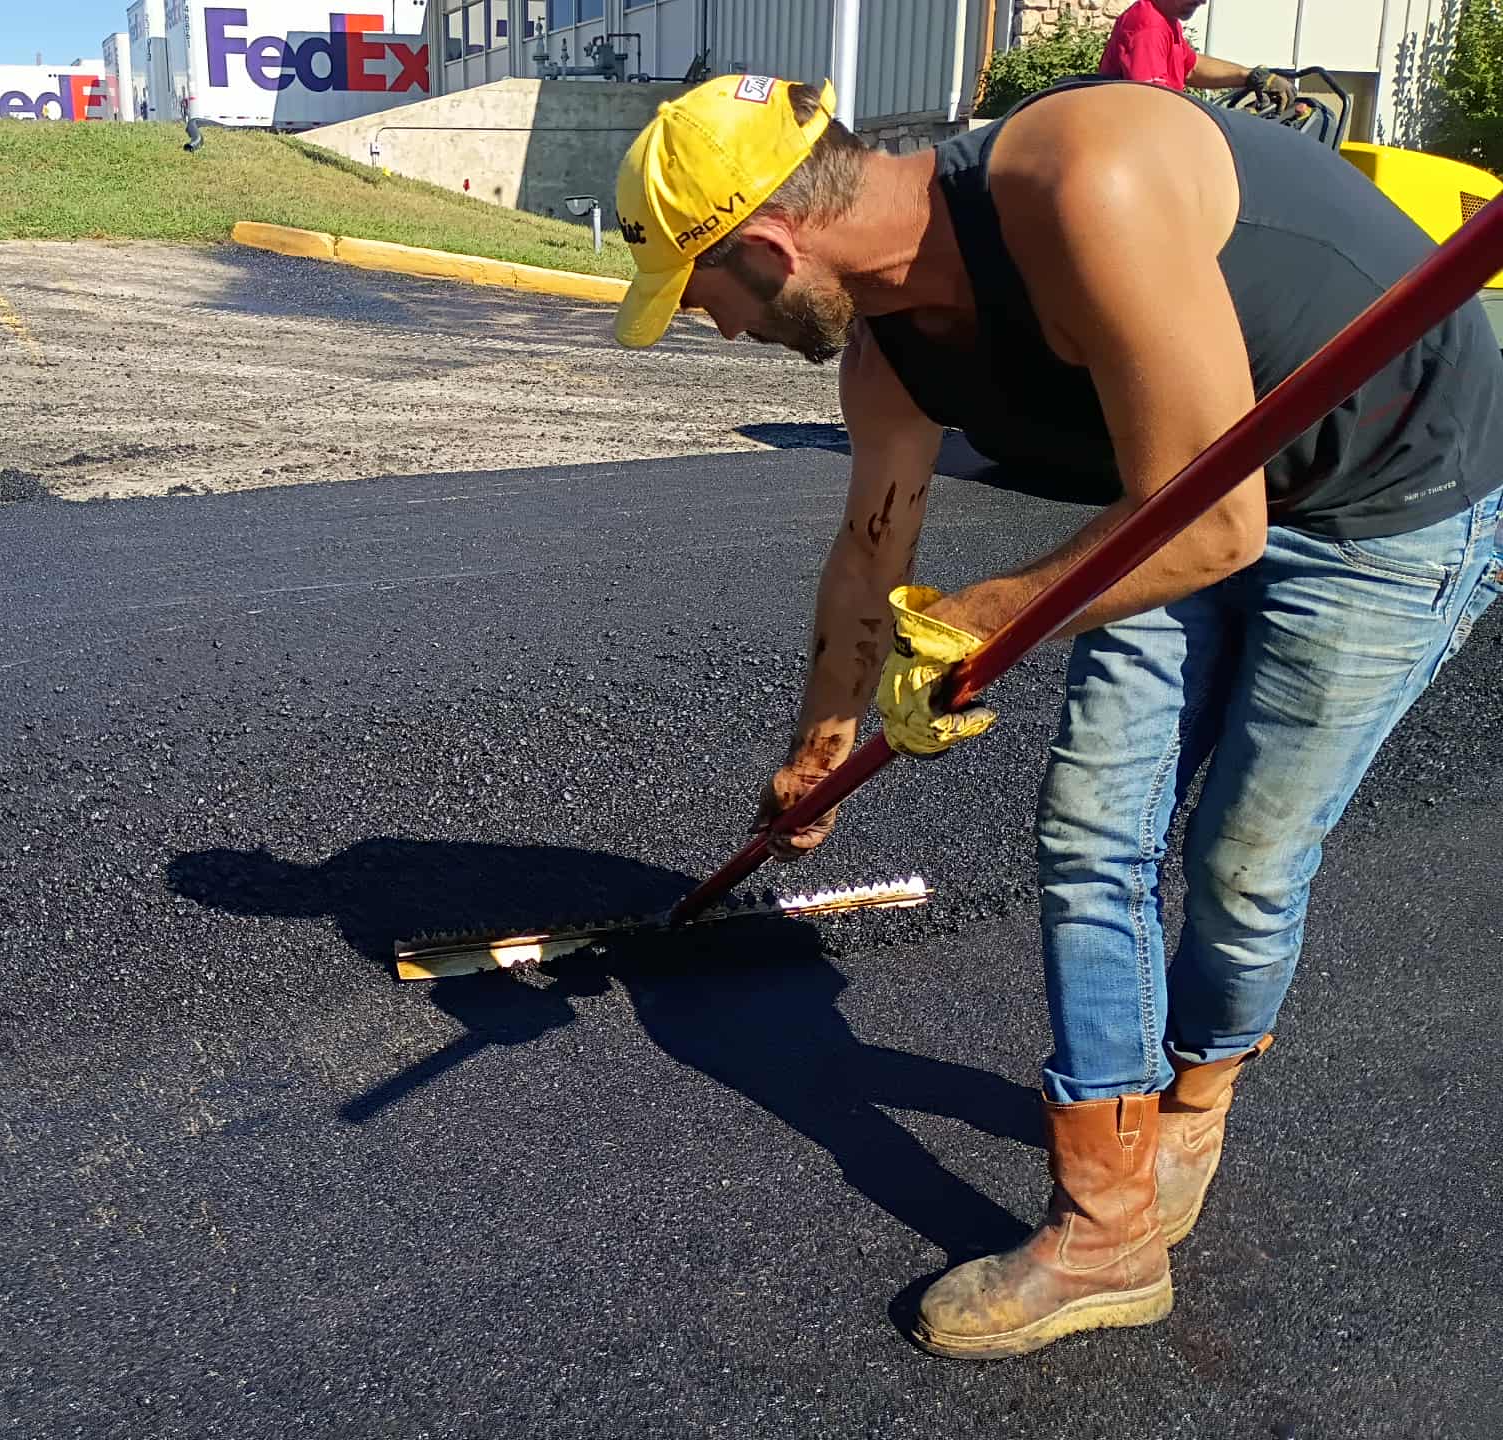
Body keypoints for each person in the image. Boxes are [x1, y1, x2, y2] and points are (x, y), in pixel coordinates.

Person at [609, 73, 1503, 1360]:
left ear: (766, 247)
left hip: (1387, 495)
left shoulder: (1089, 181)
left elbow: (1218, 524)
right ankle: (1109, 1226)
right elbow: (873, 554)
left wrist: (978, 618)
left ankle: (1196, 1097)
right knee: (1091, 834)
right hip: (1170, 487)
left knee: (1243, 866)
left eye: (708, 303)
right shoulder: (888, 349)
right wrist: (823, 739)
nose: (727, 336)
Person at [1099, 0, 1295, 108]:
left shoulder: (1166, 19)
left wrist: (1252, 76)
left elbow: (1191, 68)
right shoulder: (1149, 27)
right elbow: (1153, 105)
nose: (1202, 1)